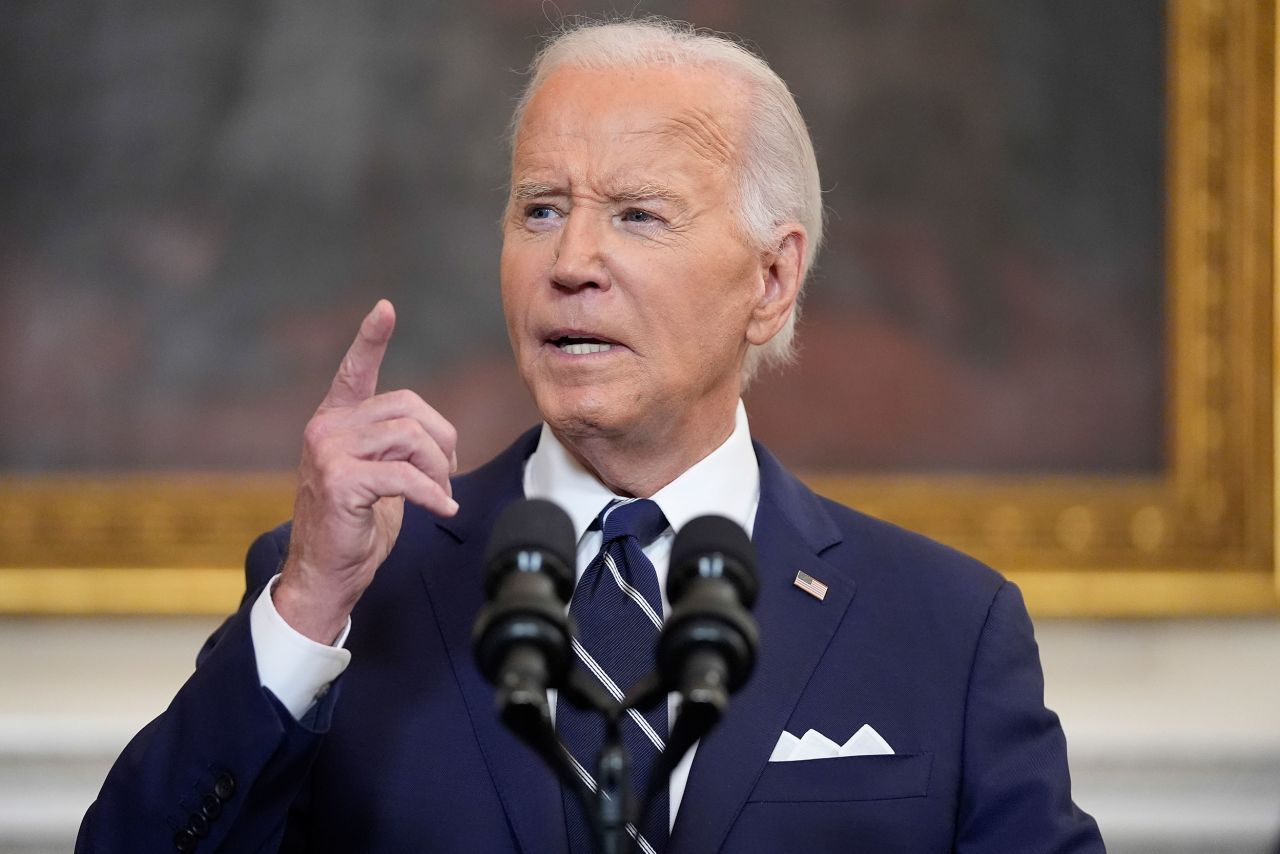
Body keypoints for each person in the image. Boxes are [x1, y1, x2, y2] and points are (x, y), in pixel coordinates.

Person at [78, 17, 1104, 854]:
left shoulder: (943, 626)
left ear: (771, 278)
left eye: (636, 215)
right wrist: (304, 608)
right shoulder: (357, 590)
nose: (570, 260)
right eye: (539, 209)